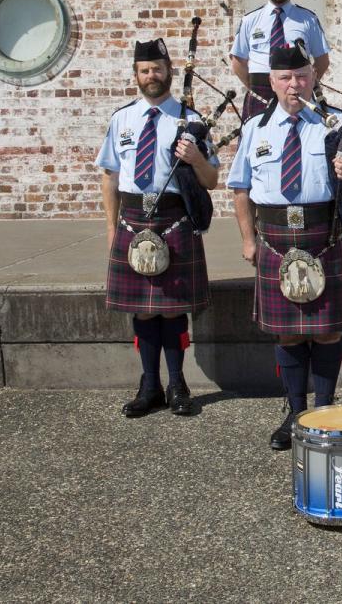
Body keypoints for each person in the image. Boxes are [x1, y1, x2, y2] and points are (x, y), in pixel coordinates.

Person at [226, 44, 342, 450]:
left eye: (301, 76)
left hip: (327, 237)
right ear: (272, 83)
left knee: (329, 333)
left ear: (313, 77)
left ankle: (326, 413)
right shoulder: (254, 129)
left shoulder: (339, 124)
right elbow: (241, 189)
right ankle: (295, 414)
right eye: (285, 78)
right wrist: (248, 239)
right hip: (277, 242)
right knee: (288, 335)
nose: (293, 85)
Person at [96, 38, 219, 418]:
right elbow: (110, 177)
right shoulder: (123, 119)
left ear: (169, 71)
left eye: (158, 69)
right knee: (144, 311)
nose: (152, 76)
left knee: (171, 310)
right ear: (136, 75)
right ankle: (149, 385)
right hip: (133, 220)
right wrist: (111, 230)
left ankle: (178, 384)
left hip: (174, 218)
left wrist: (197, 157)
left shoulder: (191, 120)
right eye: (145, 70)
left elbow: (212, 179)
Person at [230, 0, 330, 120]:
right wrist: (257, 88)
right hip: (259, 93)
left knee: (298, 140)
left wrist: (304, 86)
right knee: (256, 142)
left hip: (296, 92)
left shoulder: (308, 19)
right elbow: (238, 62)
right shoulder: (250, 20)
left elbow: (322, 61)